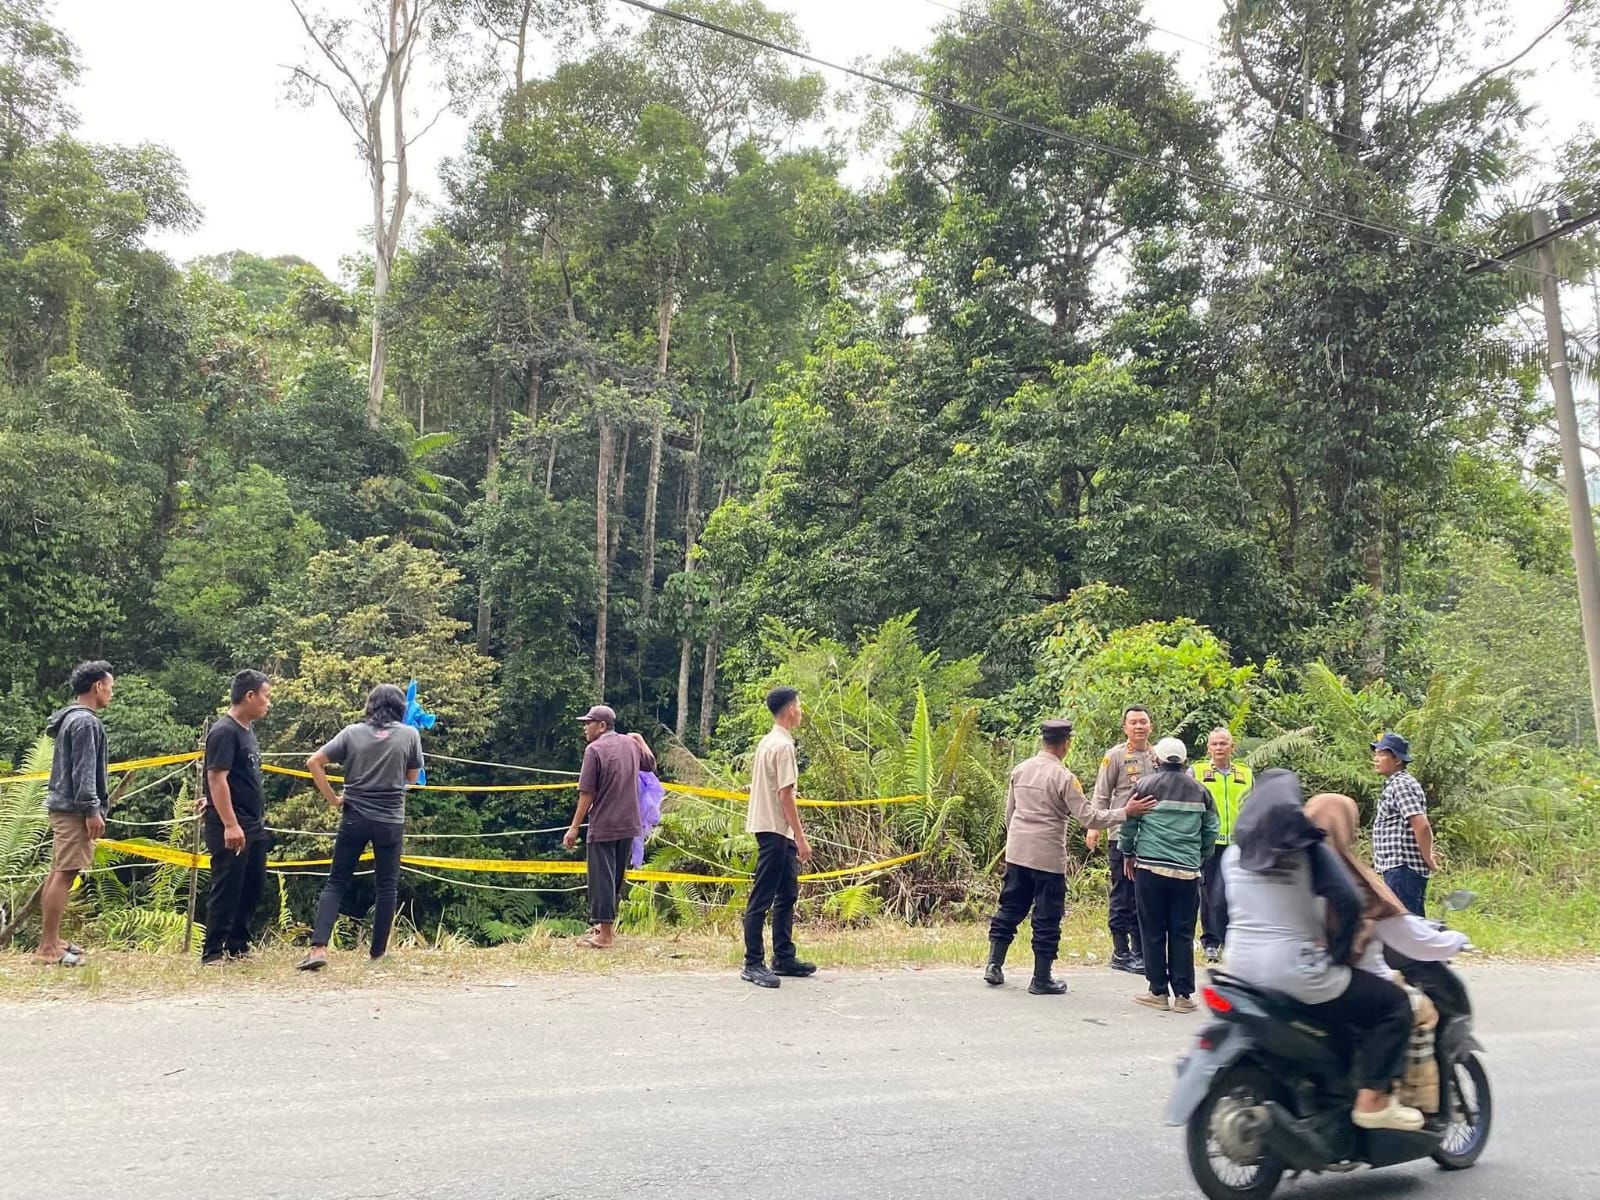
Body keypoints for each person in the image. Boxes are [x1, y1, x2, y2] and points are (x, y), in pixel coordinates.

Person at [1222, 769, 1425, 1132]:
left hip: (1238, 968)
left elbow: (1218, 909)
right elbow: (1347, 900)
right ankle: (1372, 1101)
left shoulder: (1233, 855)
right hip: (1294, 970)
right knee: (1394, 1005)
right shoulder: (1309, 851)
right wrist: (1338, 954)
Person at [986, 719, 1155, 995]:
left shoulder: (1021, 769)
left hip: (1017, 853)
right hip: (1047, 857)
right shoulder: (1064, 777)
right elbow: (1088, 817)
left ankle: (994, 964)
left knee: (1010, 908)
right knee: (1047, 916)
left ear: (1044, 741)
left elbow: (1010, 813)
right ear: (1066, 744)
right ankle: (1041, 978)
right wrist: (1126, 812)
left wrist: (1015, 842)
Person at [297, 684, 424, 971]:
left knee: (337, 881)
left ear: (371, 706)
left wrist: (333, 799)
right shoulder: (409, 734)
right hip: (390, 820)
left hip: (354, 816)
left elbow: (313, 762)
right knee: (387, 885)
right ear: (400, 708)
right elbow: (413, 778)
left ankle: (318, 949)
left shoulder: (352, 733)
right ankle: (378, 953)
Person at [1120, 738, 1218, 1013]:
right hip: (1186, 872)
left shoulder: (1144, 786)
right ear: (1184, 761)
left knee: (1152, 930)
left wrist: (1128, 853)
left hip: (1151, 869)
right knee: (1182, 932)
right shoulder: (1201, 790)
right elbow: (1210, 831)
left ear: (1157, 761)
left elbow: (1129, 825)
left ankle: (1158, 991)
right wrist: (1199, 857)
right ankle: (1184, 996)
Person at [36, 661, 115, 967]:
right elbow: (84, 772)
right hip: (74, 809)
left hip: (64, 805)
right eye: (110, 686)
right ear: (97, 686)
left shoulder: (71, 718)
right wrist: (92, 810)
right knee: (65, 873)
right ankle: (47, 948)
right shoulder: (85, 722)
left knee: (59, 870)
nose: (111, 692)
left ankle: (53, 940)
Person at [740, 686, 816, 989]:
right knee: (763, 897)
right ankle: (753, 962)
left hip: (773, 827)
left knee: (787, 893)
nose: (801, 710)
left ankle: (783, 955)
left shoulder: (767, 742)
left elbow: (769, 785)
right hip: (775, 829)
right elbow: (785, 794)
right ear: (789, 710)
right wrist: (801, 837)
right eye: (798, 705)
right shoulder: (783, 747)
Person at [564, 704, 655, 949]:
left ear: (602, 726)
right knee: (614, 876)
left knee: (600, 878)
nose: (585, 727)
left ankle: (604, 936)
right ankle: (604, 928)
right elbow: (650, 764)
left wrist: (574, 827)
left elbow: (587, 793)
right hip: (629, 822)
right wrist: (640, 739)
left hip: (604, 823)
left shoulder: (594, 750)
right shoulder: (631, 744)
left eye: (589, 722)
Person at [200, 669, 273, 966]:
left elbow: (234, 778)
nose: (268, 703)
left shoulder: (246, 730)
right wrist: (229, 823)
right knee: (227, 886)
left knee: (253, 885)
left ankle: (238, 945)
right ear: (250, 696)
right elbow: (216, 776)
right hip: (231, 825)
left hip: (253, 823)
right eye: (266, 696)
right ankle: (213, 951)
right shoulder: (224, 731)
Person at [1087, 706, 1156, 973]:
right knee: (1123, 894)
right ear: (1125, 727)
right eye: (1133, 722)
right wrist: (1094, 826)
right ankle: (1120, 951)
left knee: (1145, 895)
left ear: (1150, 726)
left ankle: (1140, 950)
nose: (1139, 727)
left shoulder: (1157, 756)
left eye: (1143, 722)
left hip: (1152, 837)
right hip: (1120, 834)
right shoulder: (1115, 756)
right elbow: (1101, 794)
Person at [1191, 727, 1252, 962]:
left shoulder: (1245, 774)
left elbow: (1253, 806)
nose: (1219, 748)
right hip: (1209, 842)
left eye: (1223, 744)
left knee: (1234, 893)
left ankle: (1232, 941)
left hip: (1237, 844)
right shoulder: (1197, 772)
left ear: (1232, 747)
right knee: (1208, 895)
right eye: (1214, 744)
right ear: (1208, 747)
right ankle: (1210, 942)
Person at [1371, 732, 1436, 916]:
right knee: (1405, 927)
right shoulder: (1396, 784)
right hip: (1398, 869)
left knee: (1406, 926)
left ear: (1397, 760)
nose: (1376, 759)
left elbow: (1421, 825)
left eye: (1382, 754)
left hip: (1402, 869)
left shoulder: (1401, 785)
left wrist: (1428, 858)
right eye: (1376, 754)